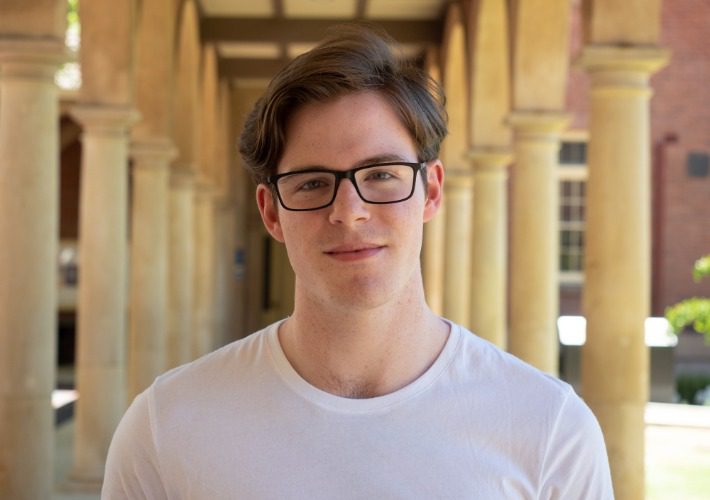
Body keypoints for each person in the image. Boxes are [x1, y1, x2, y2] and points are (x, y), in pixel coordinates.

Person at [102, 25, 614, 499]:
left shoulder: (548, 429)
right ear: (271, 213)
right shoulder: (166, 426)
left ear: (431, 191)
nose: (348, 212)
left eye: (382, 174)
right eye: (312, 183)